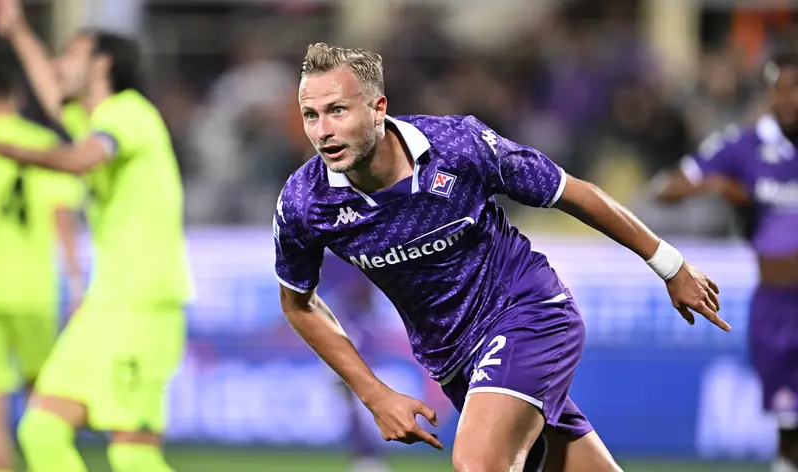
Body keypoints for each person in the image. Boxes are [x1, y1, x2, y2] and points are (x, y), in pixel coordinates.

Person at [274, 43, 730, 472]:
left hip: (526, 313)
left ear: (378, 109)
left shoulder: (457, 147)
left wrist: (670, 266)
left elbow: (573, 193)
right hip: (454, 361)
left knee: (477, 464)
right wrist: (375, 395)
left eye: (337, 110)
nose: (323, 131)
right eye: (310, 115)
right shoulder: (305, 203)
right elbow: (298, 302)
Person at [0, 1, 194, 471]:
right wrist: (18, 30)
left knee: (132, 452)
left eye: (70, 56)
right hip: (107, 305)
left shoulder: (130, 114)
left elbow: (81, 159)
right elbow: (52, 93)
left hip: (144, 304)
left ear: (101, 65)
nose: (59, 66)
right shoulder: (96, 119)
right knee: (40, 430)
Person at [654, 52, 798, 472]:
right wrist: (718, 184)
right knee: (788, 428)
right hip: (776, 306)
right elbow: (664, 187)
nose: (790, 99)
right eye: (782, 89)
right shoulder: (745, 146)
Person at [0, 59, 82, 472]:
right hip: (30, 288)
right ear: (17, 98)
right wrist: (76, 279)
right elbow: (60, 216)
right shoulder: (38, 142)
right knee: (43, 402)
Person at [317, 254, 392, 472]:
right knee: (353, 408)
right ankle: (366, 455)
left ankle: (369, 455)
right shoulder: (344, 302)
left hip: (355, 351)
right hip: (343, 348)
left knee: (364, 407)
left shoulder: (360, 312)